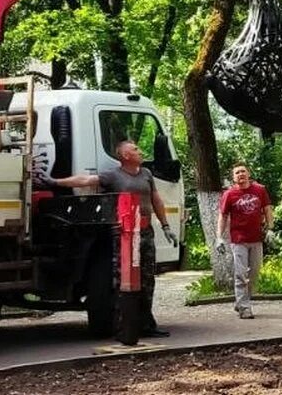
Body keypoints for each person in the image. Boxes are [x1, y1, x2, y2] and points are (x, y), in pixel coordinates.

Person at [33, 139, 177, 337]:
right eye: (135, 149)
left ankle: (146, 324)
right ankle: (123, 326)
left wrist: (166, 225)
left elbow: (156, 199)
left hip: (145, 232)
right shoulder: (114, 175)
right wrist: (55, 182)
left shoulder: (146, 174)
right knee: (123, 280)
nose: (140, 151)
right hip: (125, 235)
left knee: (147, 280)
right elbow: (85, 181)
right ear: (125, 156)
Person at [215, 165, 273, 319]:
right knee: (240, 274)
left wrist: (271, 228)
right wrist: (219, 237)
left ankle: (241, 301)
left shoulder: (259, 190)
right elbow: (223, 216)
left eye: (243, 171)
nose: (240, 174)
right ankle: (244, 307)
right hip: (239, 240)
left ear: (249, 174)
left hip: (256, 238)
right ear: (233, 178)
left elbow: (267, 209)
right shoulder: (229, 194)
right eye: (237, 173)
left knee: (254, 273)